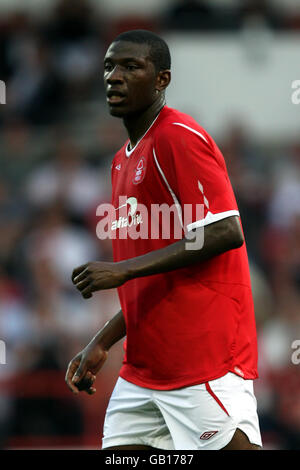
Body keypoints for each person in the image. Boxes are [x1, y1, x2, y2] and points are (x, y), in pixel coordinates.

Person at [65, 30, 262, 450]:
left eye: (131, 67)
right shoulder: (122, 161)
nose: (114, 77)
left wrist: (121, 270)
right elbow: (157, 271)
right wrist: (101, 341)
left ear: (162, 80)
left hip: (202, 361)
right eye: (109, 67)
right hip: (143, 371)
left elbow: (226, 231)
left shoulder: (178, 136)